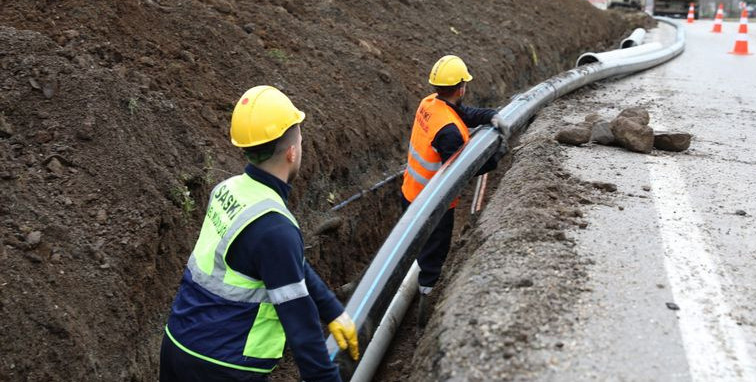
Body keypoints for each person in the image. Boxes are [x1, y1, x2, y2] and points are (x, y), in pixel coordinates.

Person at [160, 86, 358, 382]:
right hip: (224, 367)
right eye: (301, 141)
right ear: (292, 152)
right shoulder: (275, 228)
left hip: (177, 346)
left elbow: (285, 264)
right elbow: (301, 328)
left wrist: (331, 309)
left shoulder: (226, 190)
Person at [401, 55, 510, 328]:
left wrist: (491, 116)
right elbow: (465, 171)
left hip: (411, 192)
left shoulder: (430, 104)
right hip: (433, 205)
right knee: (433, 257)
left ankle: (405, 283)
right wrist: (498, 156)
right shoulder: (449, 133)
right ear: (461, 87)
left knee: (412, 245)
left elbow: (465, 113)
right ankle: (426, 303)